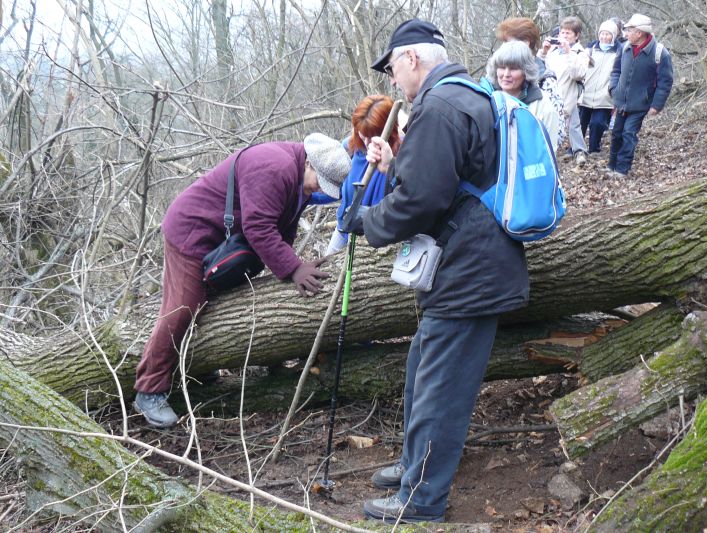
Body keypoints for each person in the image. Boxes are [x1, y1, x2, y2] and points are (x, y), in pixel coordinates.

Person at [346, 19, 529, 523]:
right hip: (469, 265)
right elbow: (444, 181)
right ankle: (411, 467)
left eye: (391, 69)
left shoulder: (440, 107)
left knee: (440, 392)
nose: (391, 81)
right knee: (421, 377)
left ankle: (420, 499)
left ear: (410, 58)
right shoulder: (465, 96)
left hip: (469, 273)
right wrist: (393, 167)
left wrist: (367, 221)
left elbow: (421, 202)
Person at [133, 136, 351, 428]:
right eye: (318, 182)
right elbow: (258, 227)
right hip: (192, 233)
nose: (317, 189)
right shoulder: (275, 168)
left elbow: (282, 226)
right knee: (182, 307)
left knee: (213, 307)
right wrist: (293, 268)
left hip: (222, 240)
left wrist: (291, 265)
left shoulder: (298, 174)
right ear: (310, 162)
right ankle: (149, 389)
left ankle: (195, 368)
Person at [325, 95, 403, 255]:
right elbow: (336, 187)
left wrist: (389, 167)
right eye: (362, 134)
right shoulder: (351, 147)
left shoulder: (401, 157)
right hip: (343, 229)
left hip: (372, 238)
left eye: (372, 135)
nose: (367, 142)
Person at [607, 14, 673, 178]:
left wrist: (656, 105)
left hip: (640, 104)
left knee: (629, 134)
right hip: (620, 101)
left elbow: (665, 82)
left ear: (640, 33)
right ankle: (611, 166)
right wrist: (613, 88)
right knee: (616, 133)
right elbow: (616, 71)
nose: (626, 33)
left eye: (629, 30)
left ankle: (622, 170)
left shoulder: (660, 53)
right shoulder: (624, 48)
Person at [496, 17, 567, 146]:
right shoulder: (497, 81)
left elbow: (557, 131)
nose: (503, 47)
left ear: (526, 42)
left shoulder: (546, 79)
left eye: (507, 41)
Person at [485, 40, 561, 148]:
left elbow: (548, 152)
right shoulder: (487, 100)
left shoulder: (543, 106)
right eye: (502, 67)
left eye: (513, 68)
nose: (506, 74)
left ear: (526, 71)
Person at [537, 16, 591, 164]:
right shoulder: (553, 50)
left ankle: (579, 152)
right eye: (562, 32)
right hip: (549, 94)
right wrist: (544, 51)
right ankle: (548, 152)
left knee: (573, 125)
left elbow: (578, 74)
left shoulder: (581, 53)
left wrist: (569, 53)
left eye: (568, 33)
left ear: (576, 35)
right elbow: (536, 68)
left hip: (568, 93)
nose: (564, 36)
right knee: (549, 124)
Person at [578, 20, 621, 155]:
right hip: (587, 92)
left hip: (605, 95)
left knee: (597, 124)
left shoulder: (619, 51)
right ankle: (576, 148)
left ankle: (594, 149)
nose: (604, 37)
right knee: (581, 123)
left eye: (607, 34)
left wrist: (612, 91)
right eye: (602, 34)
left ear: (613, 36)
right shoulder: (590, 49)